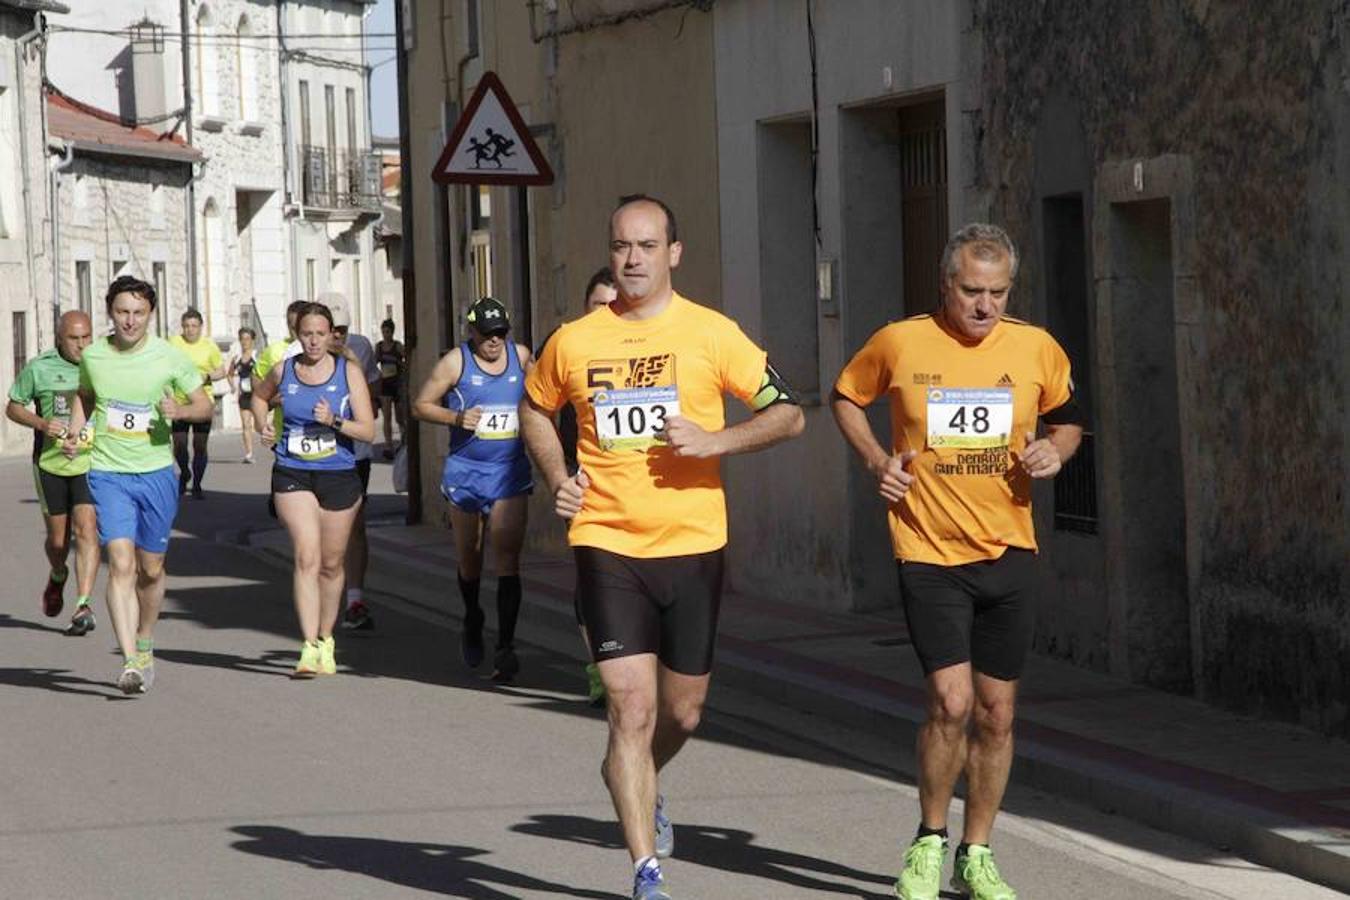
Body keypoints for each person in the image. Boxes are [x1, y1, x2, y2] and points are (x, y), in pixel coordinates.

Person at [520, 195, 804, 900]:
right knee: (630, 707)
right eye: (622, 246)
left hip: (693, 542)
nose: (633, 259)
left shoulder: (712, 334)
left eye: (647, 246)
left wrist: (717, 440)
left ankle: (637, 772)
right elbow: (533, 404)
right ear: (610, 252)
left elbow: (789, 413)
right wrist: (559, 476)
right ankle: (647, 870)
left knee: (682, 714)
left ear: (674, 253)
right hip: (607, 540)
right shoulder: (576, 339)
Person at [831, 223, 1084, 900]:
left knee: (997, 713)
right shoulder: (901, 340)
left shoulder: (1036, 348)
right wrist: (878, 461)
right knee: (951, 702)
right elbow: (846, 397)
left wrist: (1055, 451)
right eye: (972, 291)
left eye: (998, 293)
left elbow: (1068, 418)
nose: (984, 307)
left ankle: (977, 852)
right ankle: (929, 840)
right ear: (946, 285)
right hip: (928, 549)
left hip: (1010, 550)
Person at [65, 275, 213, 694]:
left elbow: (204, 405)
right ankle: (130, 661)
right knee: (121, 562)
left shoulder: (168, 357)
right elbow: (86, 396)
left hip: (156, 473)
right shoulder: (94, 356)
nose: (129, 321)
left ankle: (145, 640)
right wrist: (78, 433)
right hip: (109, 473)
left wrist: (179, 409)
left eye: (138, 313)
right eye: (122, 312)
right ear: (110, 312)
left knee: (151, 569)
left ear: (150, 315)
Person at [250, 303, 375, 676]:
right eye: (307, 334)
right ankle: (307, 646)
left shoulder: (348, 372)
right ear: (297, 335)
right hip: (293, 471)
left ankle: (326, 637)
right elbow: (258, 397)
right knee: (307, 556)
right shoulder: (284, 370)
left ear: (332, 334)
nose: (314, 341)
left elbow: (369, 430)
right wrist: (263, 425)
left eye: (321, 334)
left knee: (332, 563)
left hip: (339, 473)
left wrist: (335, 420)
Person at [413, 296, 533, 683]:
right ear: (472, 332)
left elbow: (543, 397)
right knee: (471, 558)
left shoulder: (521, 357)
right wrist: (456, 417)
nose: (494, 342)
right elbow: (421, 405)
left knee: (508, 558)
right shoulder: (456, 363)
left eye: (500, 333)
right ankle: (472, 617)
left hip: (508, 471)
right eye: (487, 334)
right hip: (466, 471)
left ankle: (507, 646)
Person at [536, 267, 617, 706]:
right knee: (594, 575)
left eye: (614, 304)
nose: (607, 312)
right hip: (582, 474)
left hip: (638, 482)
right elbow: (536, 409)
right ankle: (598, 667)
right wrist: (560, 474)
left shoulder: (644, 346)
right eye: (598, 305)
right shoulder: (565, 344)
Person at [6, 311, 100, 635]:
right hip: (50, 464)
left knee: (87, 529)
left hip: (90, 463)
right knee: (59, 542)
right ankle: (58, 573)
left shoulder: (102, 366)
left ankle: (83, 604)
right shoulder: (40, 367)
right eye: (74, 339)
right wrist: (43, 424)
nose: (82, 345)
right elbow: (13, 406)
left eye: (87, 337)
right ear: (60, 338)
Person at [326, 297, 382, 631]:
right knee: (320, 535)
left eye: (342, 331)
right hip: (312, 458)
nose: (336, 337)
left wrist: (357, 383)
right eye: (331, 330)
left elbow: (373, 394)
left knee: (355, 527)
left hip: (354, 454)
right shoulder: (295, 357)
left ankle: (355, 600)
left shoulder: (360, 348)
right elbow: (273, 395)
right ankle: (321, 598)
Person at [168, 308, 226, 498]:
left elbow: (221, 371)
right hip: (180, 402)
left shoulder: (209, 347)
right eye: (186, 326)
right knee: (179, 445)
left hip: (203, 403)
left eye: (194, 326)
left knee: (200, 446)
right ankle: (185, 472)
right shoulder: (174, 343)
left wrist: (208, 375)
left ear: (201, 327)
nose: (190, 330)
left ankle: (198, 485)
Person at [374, 318, 406, 458]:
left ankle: (404, 442)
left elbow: (407, 360)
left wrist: (400, 365)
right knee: (387, 416)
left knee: (400, 417)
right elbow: (374, 363)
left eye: (388, 332)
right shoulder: (379, 347)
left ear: (392, 332)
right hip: (385, 384)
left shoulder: (397, 346)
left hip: (397, 383)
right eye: (384, 332)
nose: (386, 334)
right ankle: (388, 445)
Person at [229, 327, 259, 464]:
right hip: (244, 395)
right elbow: (229, 374)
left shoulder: (257, 356)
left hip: (257, 395)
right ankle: (249, 453)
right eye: (242, 339)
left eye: (247, 339)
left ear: (252, 340)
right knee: (246, 425)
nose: (244, 342)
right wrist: (233, 386)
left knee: (260, 425)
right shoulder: (237, 359)